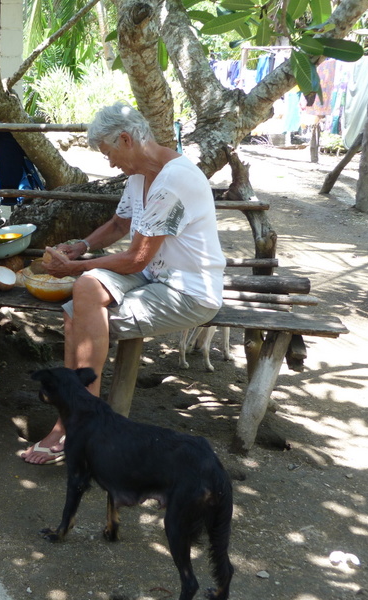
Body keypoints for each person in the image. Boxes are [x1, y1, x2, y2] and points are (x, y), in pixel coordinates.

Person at [21, 101, 226, 465]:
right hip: (153, 277)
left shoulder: (174, 182)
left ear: (127, 139)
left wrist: (75, 267)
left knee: (77, 315)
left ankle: (78, 423)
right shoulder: (138, 177)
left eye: (108, 152)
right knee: (84, 293)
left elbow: (136, 258)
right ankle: (77, 419)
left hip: (189, 291)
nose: (109, 162)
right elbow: (118, 225)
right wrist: (82, 247)